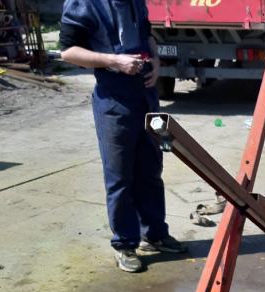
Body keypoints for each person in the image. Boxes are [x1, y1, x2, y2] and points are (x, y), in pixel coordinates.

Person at [59, 0, 187, 272]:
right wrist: (113, 60)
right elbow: (68, 52)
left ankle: (155, 234)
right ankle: (125, 244)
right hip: (114, 101)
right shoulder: (84, 4)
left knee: (151, 170)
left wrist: (155, 60)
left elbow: (147, 36)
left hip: (146, 97)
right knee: (120, 177)